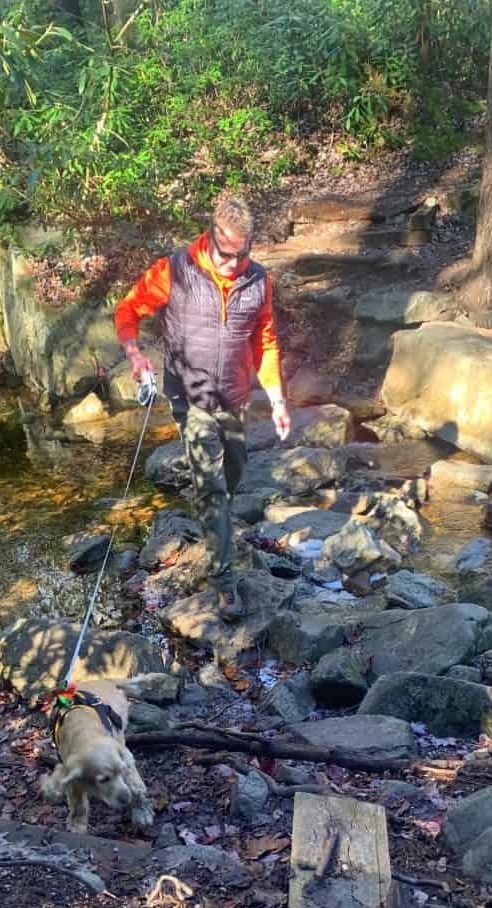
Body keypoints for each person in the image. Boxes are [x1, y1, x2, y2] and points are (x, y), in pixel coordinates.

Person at [115, 195, 291, 621]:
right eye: (227, 255)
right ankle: (224, 582)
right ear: (211, 239)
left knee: (233, 475)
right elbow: (127, 309)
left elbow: (264, 341)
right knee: (211, 485)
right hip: (189, 396)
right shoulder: (174, 271)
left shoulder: (258, 282)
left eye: (243, 254)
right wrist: (134, 354)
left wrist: (277, 397)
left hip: (234, 396)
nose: (235, 264)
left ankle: (218, 531)